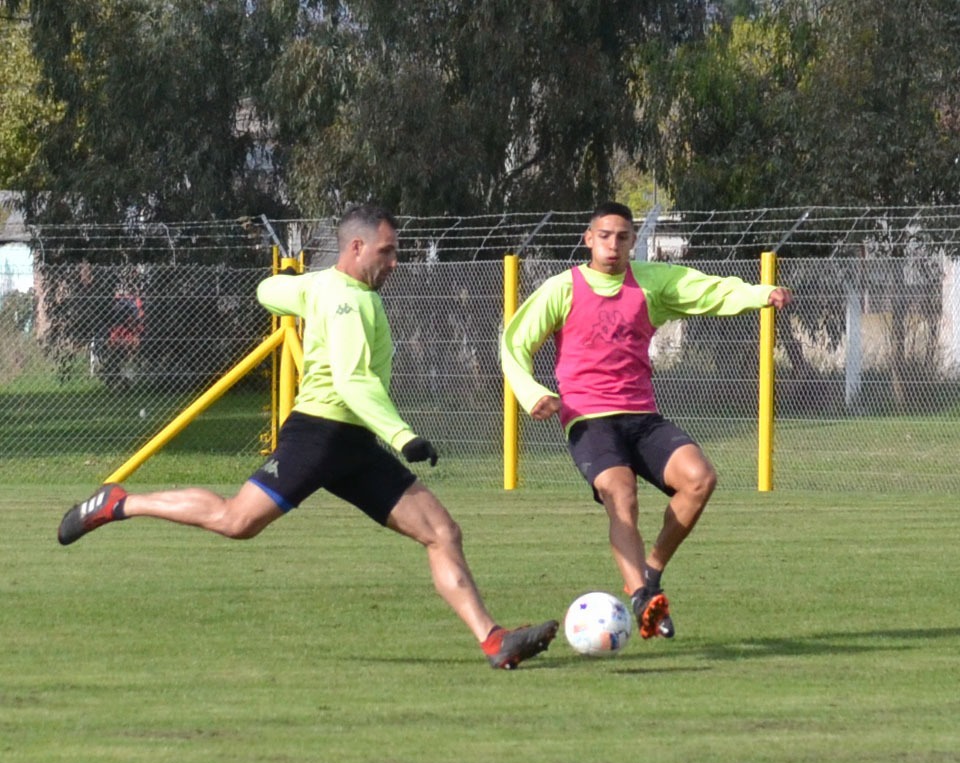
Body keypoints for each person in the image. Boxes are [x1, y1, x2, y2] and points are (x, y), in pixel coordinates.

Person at [58, 203, 558, 670]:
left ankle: (493, 640)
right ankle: (121, 503)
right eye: (387, 252)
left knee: (442, 532)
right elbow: (352, 380)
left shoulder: (323, 287)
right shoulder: (349, 303)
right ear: (356, 249)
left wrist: (305, 285)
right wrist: (404, 437)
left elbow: (267, 292)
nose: (395, 263)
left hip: (354, 444)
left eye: (397, 252)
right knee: (237, 521)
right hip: (318, 436)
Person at [500, 201, 792, 641]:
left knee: (700, 479)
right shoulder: (562, 288)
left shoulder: (650, 284)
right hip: (588, 419)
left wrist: (757, 294)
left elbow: (706, 290)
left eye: (622, 237)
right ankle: (640, 595)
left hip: (641, 415)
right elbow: (514, 344)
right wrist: (533, 393)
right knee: (621, 493)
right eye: (604, 236)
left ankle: (648, 578)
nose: (612, 245)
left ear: (633, 241)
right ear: (588, 239)